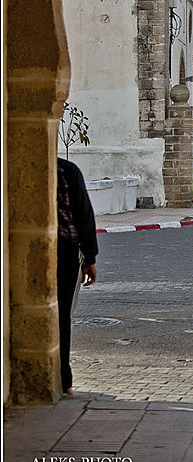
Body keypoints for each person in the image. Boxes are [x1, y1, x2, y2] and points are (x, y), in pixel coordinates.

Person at [57, 157, 98, 395]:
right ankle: (64, 380)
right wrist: (90, 258)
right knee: (62, 312)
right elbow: (83, 215)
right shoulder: (67, 170)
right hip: (64, 249)